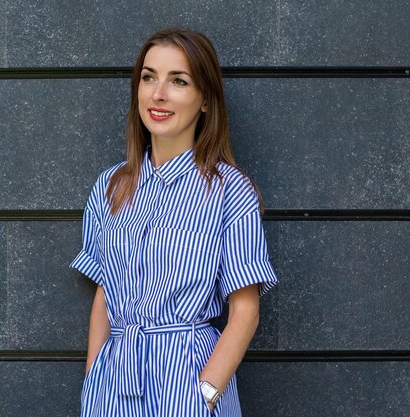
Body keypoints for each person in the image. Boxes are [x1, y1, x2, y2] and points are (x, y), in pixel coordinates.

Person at [70, 27, 278, 417]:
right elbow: (104, 293)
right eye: (149, 77)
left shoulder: (229, 191)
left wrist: (205, 393)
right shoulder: (111, 186)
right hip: (114, 385)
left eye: (178, 81)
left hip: (187, 381)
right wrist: (92, 382)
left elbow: (245, 310)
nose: (158, 94)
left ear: (204, 100)